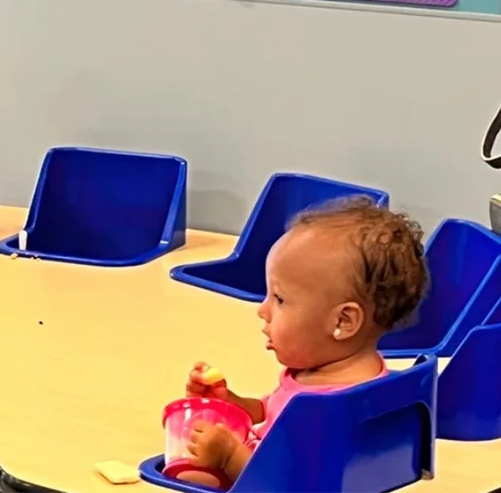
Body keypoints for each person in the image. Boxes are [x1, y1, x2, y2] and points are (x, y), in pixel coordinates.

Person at [181, 198, 428, 485]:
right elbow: (274, 410)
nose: (263, 310)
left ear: (343, 322)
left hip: (266, 477)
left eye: (280, 299)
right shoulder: (321, 372)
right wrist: (232, 403)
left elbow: (291, 484)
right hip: (262, 463)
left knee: (190, 476)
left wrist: (229, 456)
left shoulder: (334, 409)